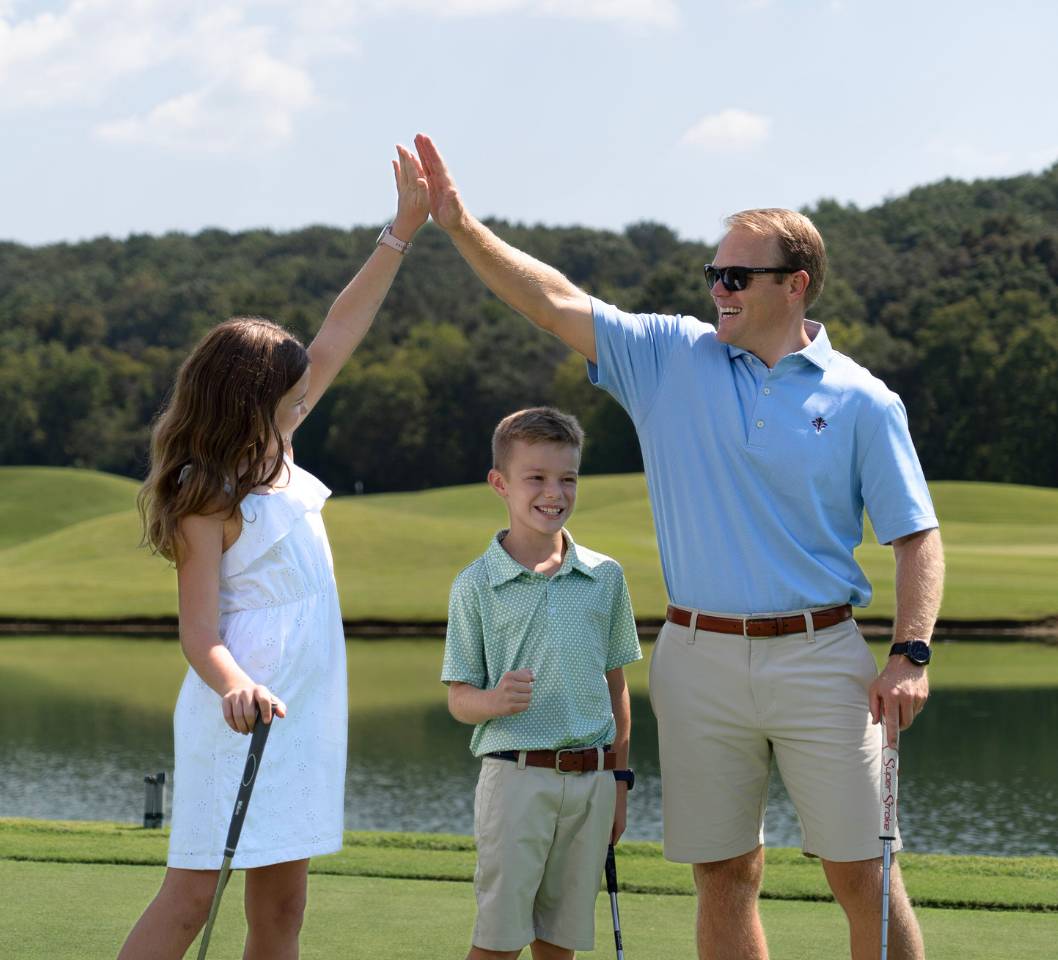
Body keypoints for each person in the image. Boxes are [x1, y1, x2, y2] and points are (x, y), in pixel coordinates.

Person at [415, 133, 944, 960]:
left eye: (736, 277)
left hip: (822, 657)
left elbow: (917, 537)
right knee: (725, 873)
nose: (718, 290)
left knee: (863, 876)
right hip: (697, 656)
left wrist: (910, 654)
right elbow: (551, 299)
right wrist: (458, 224)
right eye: (713, 275)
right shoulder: (670, 356)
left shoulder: (865, 403)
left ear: (794, 285)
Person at [117, 145, 429, 960]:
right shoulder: (204, 490)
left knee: (283, 906)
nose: (306, 389)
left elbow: (341, 327)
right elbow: (199, 632)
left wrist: (400, 231)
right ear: (249, 397)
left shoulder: (279, 443)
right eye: (291, 384)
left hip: (307, 709)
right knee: (191, 897)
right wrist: (234, 686)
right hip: (243, 711)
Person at [442, 407, 643, 960]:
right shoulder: (475, 584)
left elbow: (616, 689)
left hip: (594, 784)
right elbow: (459, 697)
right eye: (536, 478)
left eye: (567, 478)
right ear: (500, 483)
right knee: (499, 943)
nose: (554, 492)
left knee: (560, 944)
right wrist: (492, 700)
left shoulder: (605, 576)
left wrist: (620, 784)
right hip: (515, 782)